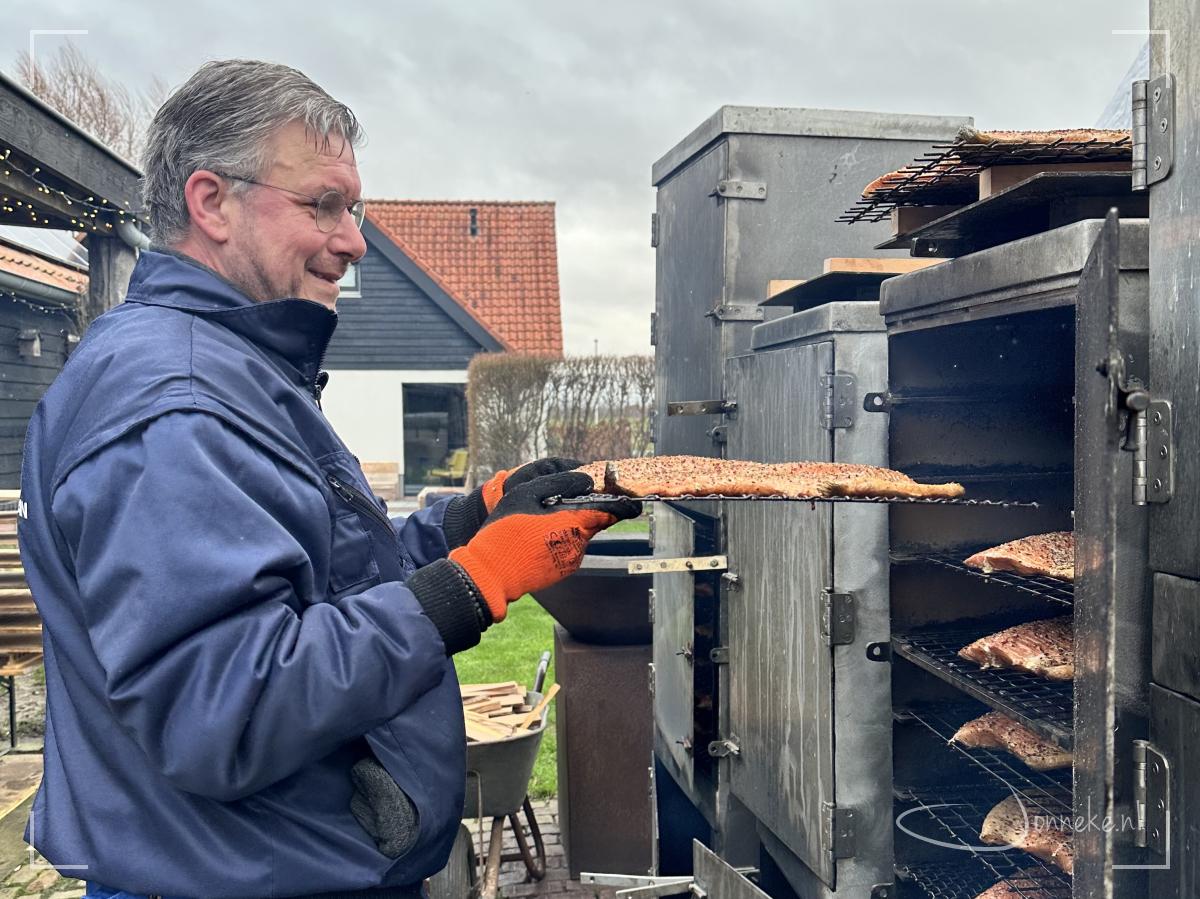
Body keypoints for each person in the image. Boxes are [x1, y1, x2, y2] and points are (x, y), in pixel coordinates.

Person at [17, 59, 638, 899]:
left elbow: (321, 576)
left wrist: (469, 521)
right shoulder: (174, 405)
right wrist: (470, 584)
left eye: (354, 209)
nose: (352, 240)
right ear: (212, 203)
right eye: (323, 205)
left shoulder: (232, 370)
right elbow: (225, 707)